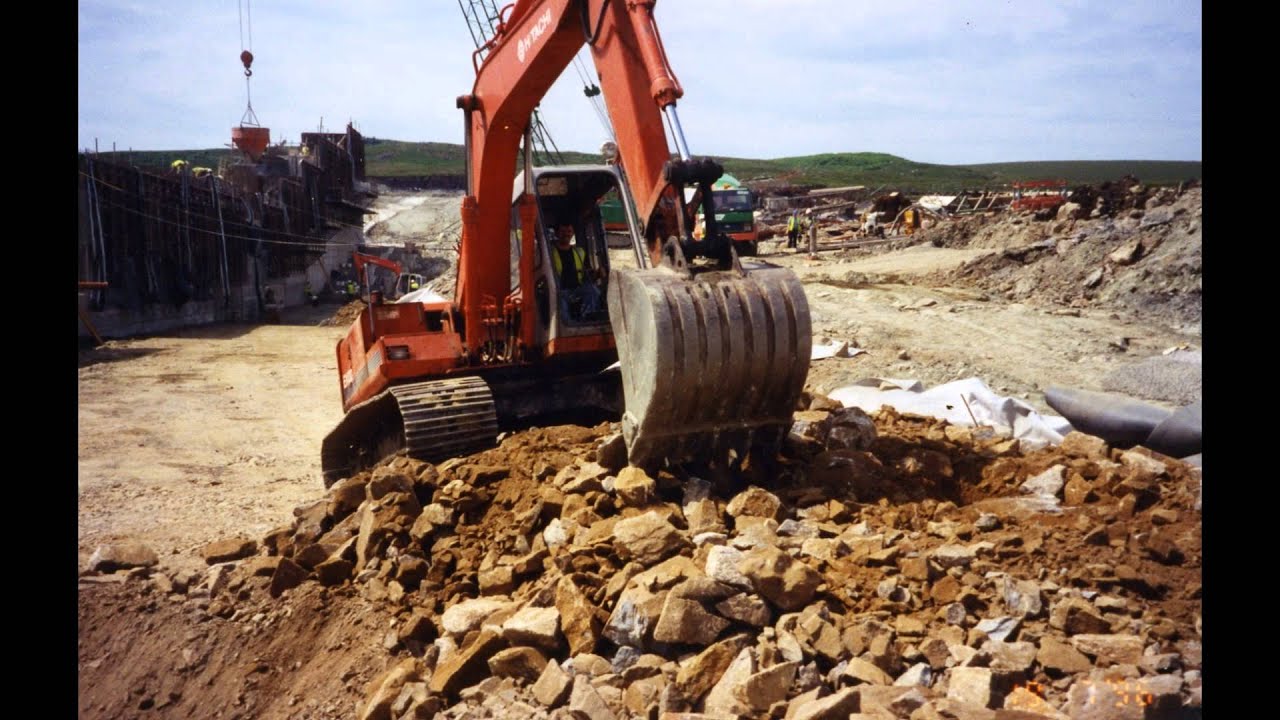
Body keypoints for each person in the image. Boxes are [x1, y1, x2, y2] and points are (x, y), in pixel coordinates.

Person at [550, 224, 602, 321]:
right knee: (559, 299)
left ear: (573, 233)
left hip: (576, 289)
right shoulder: (549, 253)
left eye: (569, 231)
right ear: (556, 233)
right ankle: (566, 328)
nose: (566, 234)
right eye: (562, 231)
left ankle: (587, 320)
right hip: (558, 290)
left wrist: (598, 274)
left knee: (593, 290)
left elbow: (587, 275)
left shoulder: (579, 252)